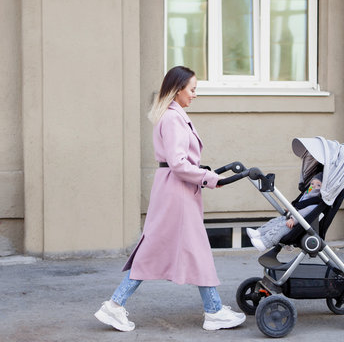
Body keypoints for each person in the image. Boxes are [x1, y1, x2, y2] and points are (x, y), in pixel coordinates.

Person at [94, 66, 245, 332]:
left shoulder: (173, 115)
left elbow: (178, 162)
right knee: (191, 250)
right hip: (177, 193)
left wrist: (206, 175)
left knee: (158, 249)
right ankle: (213, 312)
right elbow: (178, 163)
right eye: (192, 89)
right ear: (178, 90)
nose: (195, 95)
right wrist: (209, 178)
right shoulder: (174, 119)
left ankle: (115, 306)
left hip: (174, 191)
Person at [247, 172, 323, 251]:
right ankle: (259, 233)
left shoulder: (315, 203)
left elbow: (304, 213)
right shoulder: (306, 196)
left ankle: (264, 243)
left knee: (280, 228)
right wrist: (291, 209)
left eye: (318, 185)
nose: (314, 186)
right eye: (312, 183)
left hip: (297, 225)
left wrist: (294, 219)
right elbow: (300, 206)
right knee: (276, 221)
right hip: (291, 218)